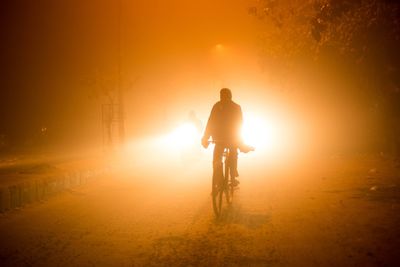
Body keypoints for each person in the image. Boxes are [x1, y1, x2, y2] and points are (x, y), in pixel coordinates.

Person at [201, 88, 252, 187]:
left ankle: (219, 180)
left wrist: (205, 138)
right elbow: (239, 125)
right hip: (231, 139)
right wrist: (240, 142)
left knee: (217, 159)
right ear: (230, 96)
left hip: (218, 139)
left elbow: (210, 123)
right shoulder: (236, 107)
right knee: (233, 155)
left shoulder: (217, 106)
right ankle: (232, 177)